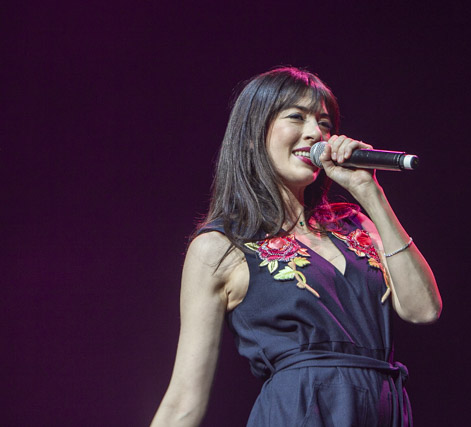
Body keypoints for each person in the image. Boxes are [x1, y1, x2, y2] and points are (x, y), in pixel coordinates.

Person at [151, 67, 442, 427]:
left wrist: (371, 193)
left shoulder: (355, 224)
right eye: (296, 117)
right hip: (300, 412)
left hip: (384, 410)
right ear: (253, 133)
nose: (315, 133)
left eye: (324, 122)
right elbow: (184, 400)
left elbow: (423, 309)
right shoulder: (221, 247)